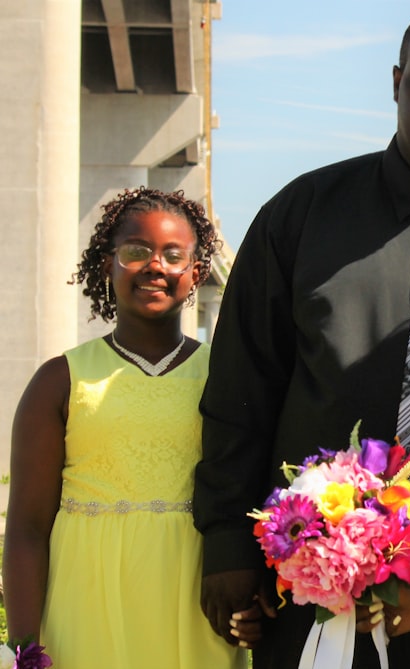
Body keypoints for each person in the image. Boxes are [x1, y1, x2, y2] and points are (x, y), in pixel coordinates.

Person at [192, 6, 410, 668]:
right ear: (396, 82)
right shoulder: (301, 216)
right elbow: (242, 388)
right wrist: (224, 540)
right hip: (316, 591)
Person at [3, 187, 243, 668]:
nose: (155, 266)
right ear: (108, 264)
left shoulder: (227, 378)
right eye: (136, 252)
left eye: (174, 256)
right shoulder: (59, 380)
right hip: (84, 601)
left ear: (196, 273)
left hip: (194, 603)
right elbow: (27, 528)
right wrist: (24, 648)